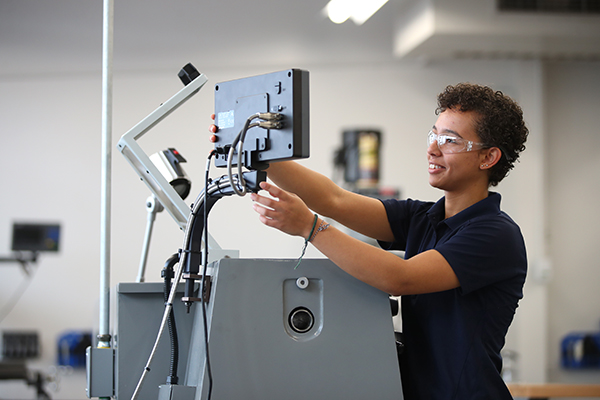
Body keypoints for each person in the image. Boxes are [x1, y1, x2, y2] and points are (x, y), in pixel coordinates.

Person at [209, 82, 529, 399]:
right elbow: (334, 199)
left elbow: (400, 277)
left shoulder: (495, 234)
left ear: (488, 158)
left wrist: (311, 227)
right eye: (434, 135)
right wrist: (255, 151)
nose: (433, 148)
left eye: (450, 141)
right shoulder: (424, 218)